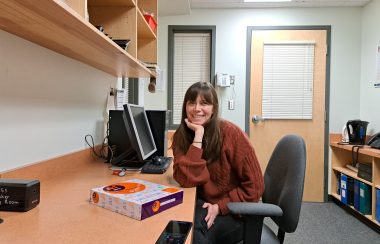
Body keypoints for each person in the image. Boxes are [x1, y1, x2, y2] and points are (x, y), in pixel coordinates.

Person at [171, 81, 265, 244]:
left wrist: (221, 207)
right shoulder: (182, 136)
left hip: (234, 212)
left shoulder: (232, 134)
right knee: (173, 226)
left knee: (195, 235)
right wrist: (198, 138)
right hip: (202, 205)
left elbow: (255, 187)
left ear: (214, 108)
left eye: (204, 103)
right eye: (192, 102)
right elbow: (187, 180)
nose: (197, 108)